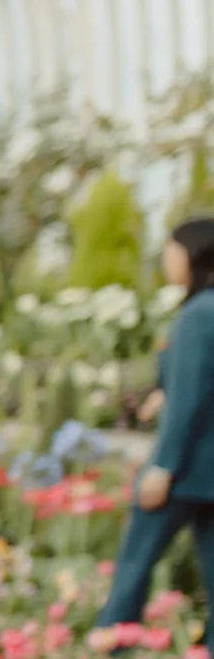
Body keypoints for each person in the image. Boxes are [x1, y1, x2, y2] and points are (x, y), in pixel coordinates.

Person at [98, 217, 214, 628]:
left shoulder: (198, 315)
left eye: (171, 250)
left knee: (134, 565)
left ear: (195, 254)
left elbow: (188, 402)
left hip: (184, 471)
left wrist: (162, 468)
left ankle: (110, 649)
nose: (166, 259)